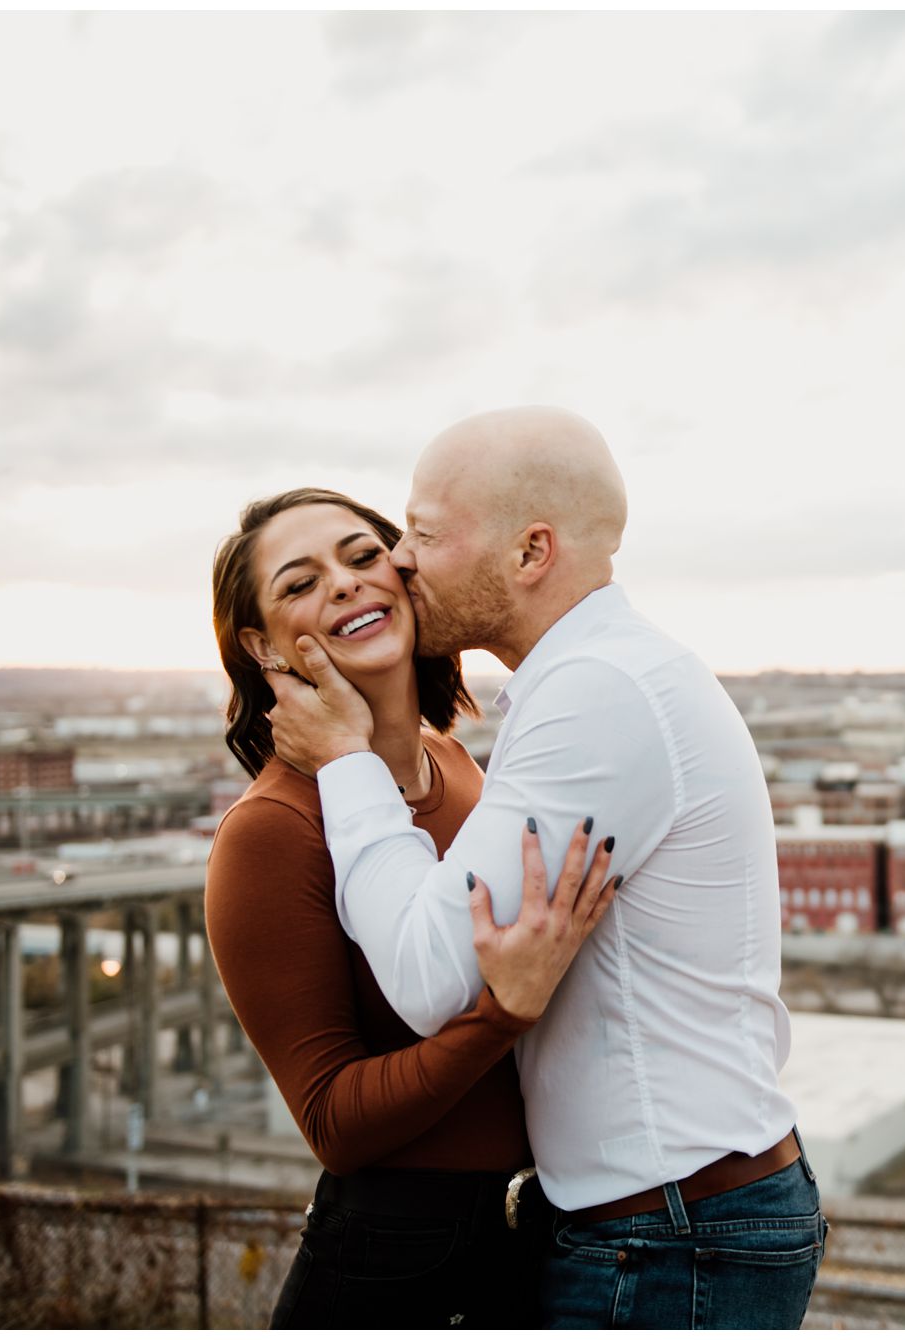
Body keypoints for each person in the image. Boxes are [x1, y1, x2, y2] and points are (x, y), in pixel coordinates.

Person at [267, 407, 824, 1330]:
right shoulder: (592, 681)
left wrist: (346, 767)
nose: (399, 559)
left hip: (669, 1239)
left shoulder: (597, 694)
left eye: (425, 533)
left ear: (531, 553)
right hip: (668, 1220)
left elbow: (427, 975)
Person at [204, 486, 619, 1329]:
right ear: (261, 644)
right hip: (392, 1269)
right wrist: (501, 1015)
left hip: (534, 1241)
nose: (348, 584)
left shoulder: (456, 764)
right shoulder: (272, 833)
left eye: (364, 558)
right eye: (300, 583)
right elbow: (333, 1122)